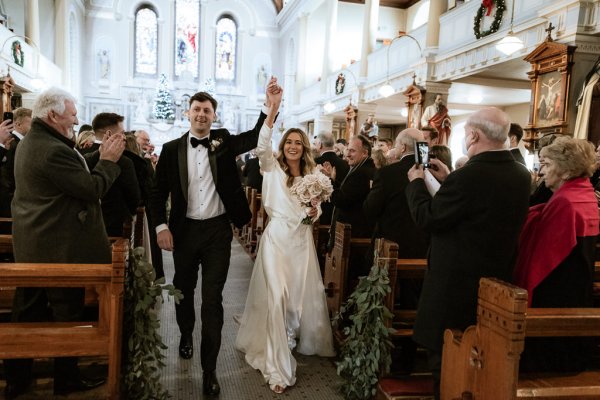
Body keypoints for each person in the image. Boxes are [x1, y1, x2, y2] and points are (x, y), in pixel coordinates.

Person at [149, 78, 276, 396]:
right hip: (185, 230)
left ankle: (210, 369)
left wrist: (268, 106)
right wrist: (160, 227)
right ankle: (186, 334)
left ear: (213, 116)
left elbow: (253, 138)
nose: (202, 114)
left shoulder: (223, 141)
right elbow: (155, 193)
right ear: (187, 114)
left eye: (207, 110)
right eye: (197, 109)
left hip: (219, 231)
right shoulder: (170, 150)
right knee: (184, 289)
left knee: (213, 300)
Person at [5, 87, 125, 398]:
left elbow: (71, 168)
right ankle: (65, 380)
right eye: (71, 114)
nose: (76, 119)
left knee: (28, 313)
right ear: (54, 114)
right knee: (65, 315)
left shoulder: (37, 141)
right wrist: (109, 161)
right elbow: (91, 187)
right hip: (57, 249)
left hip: (34, 245)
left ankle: (18, 379)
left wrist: (98, 154)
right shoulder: (51, 149)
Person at [406, 107, 531, 399]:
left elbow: (430, 218)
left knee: (447, 364)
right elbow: (478, 211)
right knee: (479, 365)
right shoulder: (520, 173)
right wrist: (450, 178)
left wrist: (415, 185)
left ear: (473, 135)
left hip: (453, 286)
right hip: (494, 284)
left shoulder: (471, 176)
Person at [235, 84, 334, 395]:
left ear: (305, 147)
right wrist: (272, 109)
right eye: (288, 141)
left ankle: (287, 340)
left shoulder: (313, 174)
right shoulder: (271, 167)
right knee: (277, 297)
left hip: (301, 242)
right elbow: (262, 143)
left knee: (293, 303)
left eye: (297, 142)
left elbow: (313, 214)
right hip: (277, 240)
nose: (292, 146)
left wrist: (314, 211)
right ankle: (278, 367)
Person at [514, 136, 599, 372]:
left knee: (550, 359)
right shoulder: (584, 193)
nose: (541, 171)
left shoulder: (565, 202)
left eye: (547, 164)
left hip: (556, 290)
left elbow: (544, 258)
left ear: (565, 169)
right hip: (577, 285)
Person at [90, 113, 141, 237]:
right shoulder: (125, 161)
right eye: (121, 133)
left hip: (85, 226)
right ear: (108, 134)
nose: (124, 137)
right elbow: (134, 198)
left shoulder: (79, 155)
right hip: (114, 227)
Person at [0, 107, 32, 217]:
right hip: (10, 199)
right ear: (18, 125)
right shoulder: (12, 143)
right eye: (31, 124)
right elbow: (7, 173)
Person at [314, 131, 349, 225]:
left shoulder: (315, 162)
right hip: (338, 209)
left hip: (319, 209)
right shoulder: (345, 164)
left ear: (320, 144)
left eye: (316, 143)